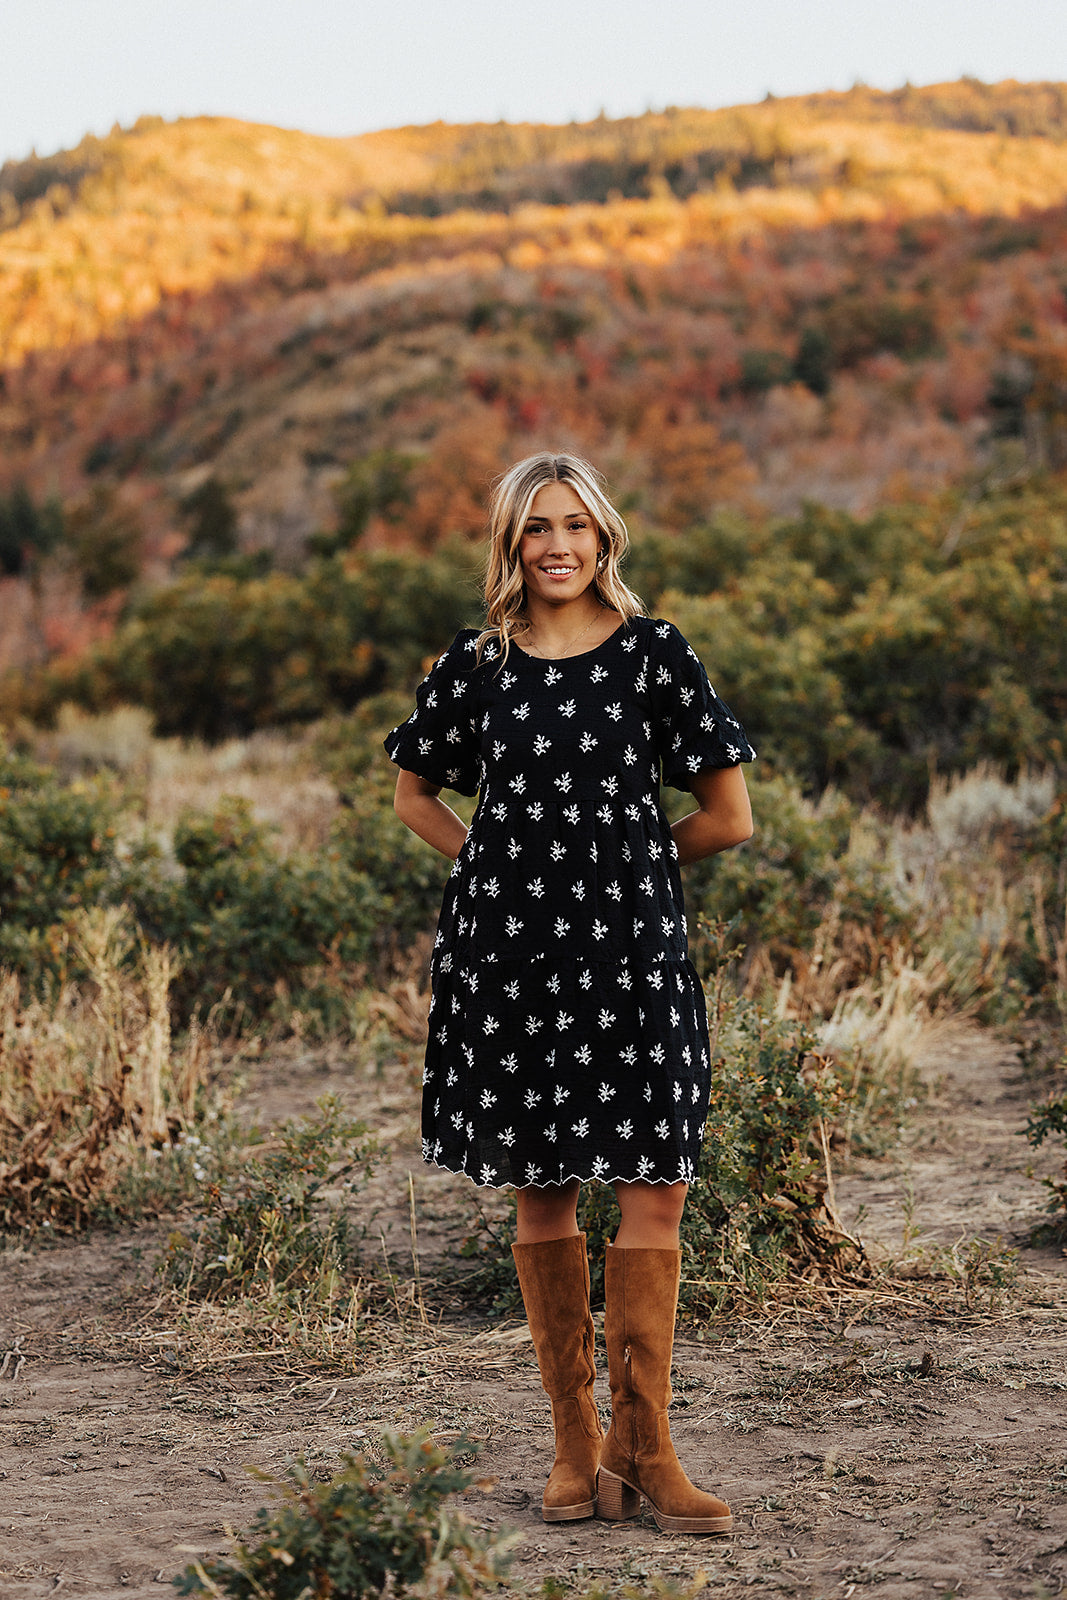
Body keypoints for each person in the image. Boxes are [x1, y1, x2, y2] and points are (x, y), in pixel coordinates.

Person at [385, 451, 755, 1535]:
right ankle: (573, 1446)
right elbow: (413, 794)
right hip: (508, 958)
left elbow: (728, 815)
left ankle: (648, 1447)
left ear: (604, 538)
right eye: (533, 527)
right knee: (538, 1188)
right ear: (509, 544)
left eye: (575, 525)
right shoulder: (477, 665)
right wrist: (488, 867)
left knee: (654, 1185)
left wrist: (630, 866)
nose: (555, 545)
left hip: (632, 954)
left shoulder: (653, 657)